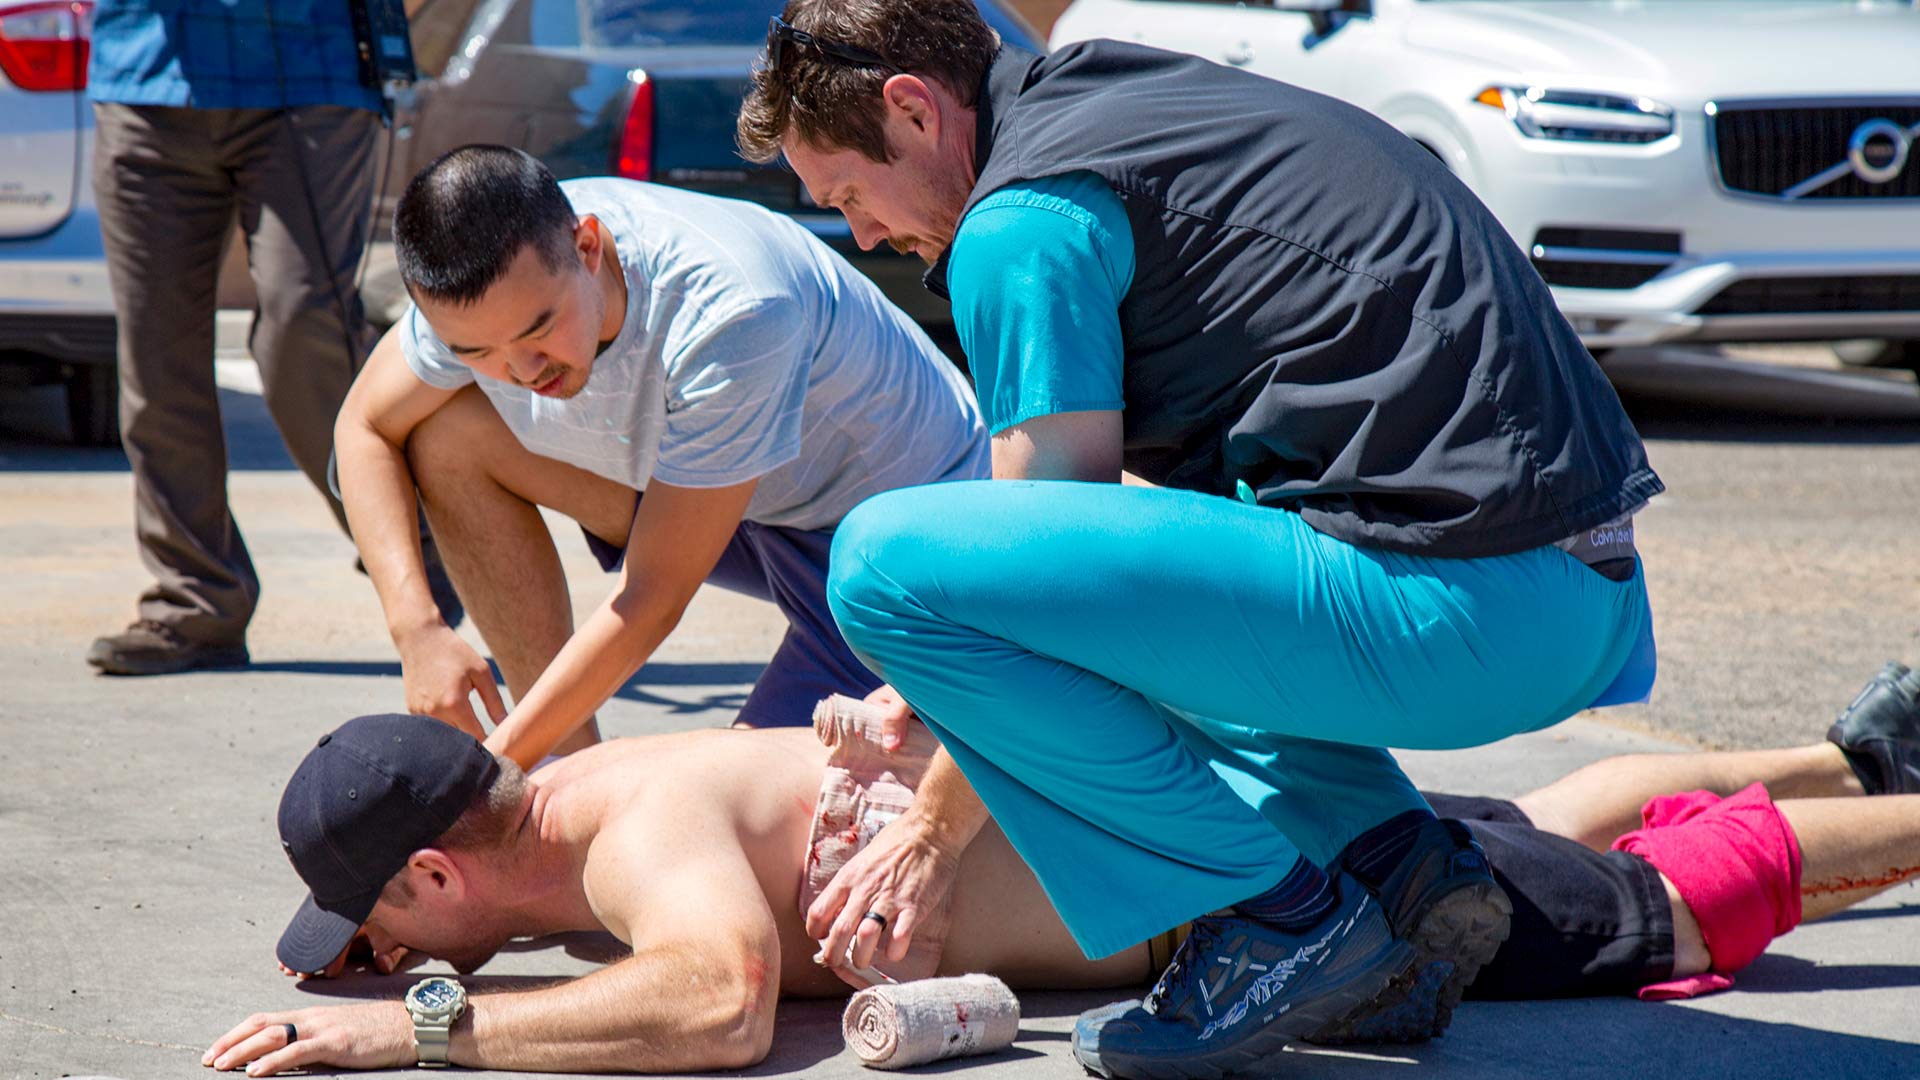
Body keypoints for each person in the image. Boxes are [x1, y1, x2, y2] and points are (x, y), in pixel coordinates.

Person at [734, 2, 1663, 1073]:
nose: (862, 235)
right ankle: (1394, 869)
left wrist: (933, 819)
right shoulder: (1126, 105)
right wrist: (957, 674)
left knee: (883, 564)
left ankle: (1272, 921)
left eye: (848, 192)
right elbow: (1111, 568)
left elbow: (1045, 572)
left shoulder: (1021, 219)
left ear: (913, 108)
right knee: (1150, 567)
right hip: (1574, 593)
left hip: (1464, 609)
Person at [202, 664, 1920, 1075]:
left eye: (373, 930)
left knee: (1683, 905)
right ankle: (1866, 748)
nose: (369, 961)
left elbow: (718, 1004)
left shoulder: (640, 840)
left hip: (1265, 885)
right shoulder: (593, 786)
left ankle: (1878, 808)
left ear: (435, 873)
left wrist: (419, 1034)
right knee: (1538, 821)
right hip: (1229, 830)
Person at [331, 146, 985, 757]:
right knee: (449, 436)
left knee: (723, 816)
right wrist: (417, 633)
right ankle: (561, 780)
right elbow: (362, 425)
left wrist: (490, 773)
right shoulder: (487, 285)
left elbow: (651, 601)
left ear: (586, 245)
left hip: (894, 546)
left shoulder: (731, 309)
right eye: (476, 354)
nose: (521, 369)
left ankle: (542, 799)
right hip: (734, 501)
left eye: (539, 330)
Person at [83, 0, 460, 675]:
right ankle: (196, 600)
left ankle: (415, 551)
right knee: (155, 353)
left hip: (308, 72)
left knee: (300, 325)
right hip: (146, 76)